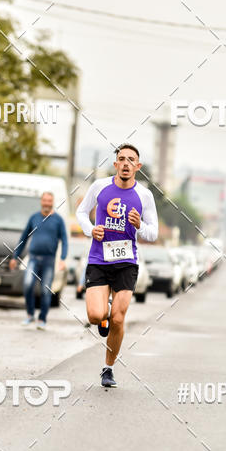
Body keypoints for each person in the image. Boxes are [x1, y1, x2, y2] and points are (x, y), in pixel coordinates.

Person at [76, 143, 158, 388]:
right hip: (99, 260)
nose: (126, 163)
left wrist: (139, 225)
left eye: (131, 160)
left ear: (137, 166)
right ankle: (104, 315)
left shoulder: (144, 195)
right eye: (122, 159)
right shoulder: (100, 186)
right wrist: (91, 230)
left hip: (126, 262)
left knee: (119, 319)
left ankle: (108, 368)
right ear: (115, 164)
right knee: (95, 315)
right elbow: (81, 212)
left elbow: (153, 233)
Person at [10, 191, 67, 330]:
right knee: (28, 284)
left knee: (46, 290)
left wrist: (63, 258)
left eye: (49, 201)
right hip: (33, 259)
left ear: (52, 202)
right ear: (41, 202)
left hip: (49, 260)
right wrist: (15, 257)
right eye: (45, 200)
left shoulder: (58, 220)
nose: (47, 203)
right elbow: (23, 238)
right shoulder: (34, 218)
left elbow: (65, 240)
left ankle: (42, 319)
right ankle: (30, 314)